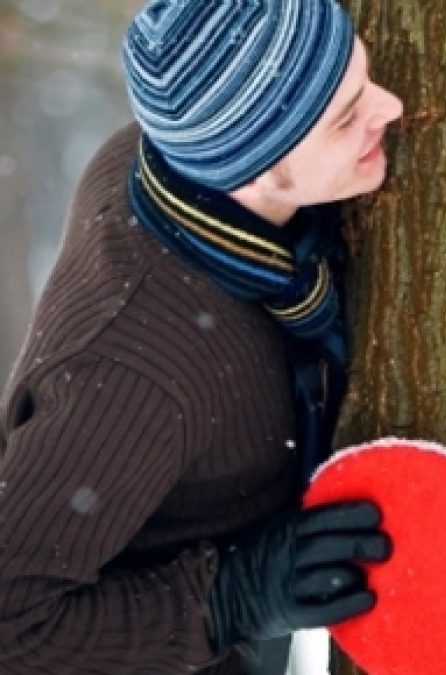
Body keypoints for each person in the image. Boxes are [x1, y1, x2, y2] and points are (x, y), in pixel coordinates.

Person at [0, 0, 405, 673]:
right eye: (346, 119)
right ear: (262, 168)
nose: (388, 108)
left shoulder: (185, 150)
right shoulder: (135, 373)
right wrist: (231, 598)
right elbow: (10, 623)